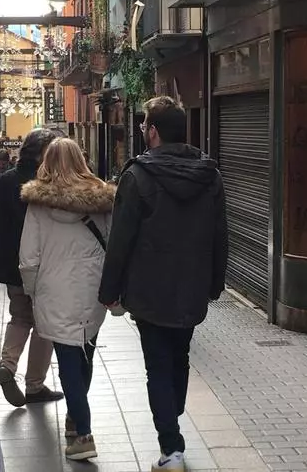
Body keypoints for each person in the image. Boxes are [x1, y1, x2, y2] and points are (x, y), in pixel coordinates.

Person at [99, 96, 228, 472]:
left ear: (153, 132)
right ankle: (172, 416)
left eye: (142, 127)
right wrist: (215, 283)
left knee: (157, 367)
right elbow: (221, 234)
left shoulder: (137, 176)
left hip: (149, 290)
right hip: (191, 286)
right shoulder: (210, 175)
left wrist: (109, 291)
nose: (141, 132)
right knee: (179, 356)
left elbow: (120, 240)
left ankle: (171, 449)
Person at [20, 138, 115, 461]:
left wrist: (33, 290)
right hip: (93, 288)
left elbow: (28, 257)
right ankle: (76, 419)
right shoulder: (102, 198)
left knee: (68, 361)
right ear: (81, 160)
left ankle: (83, 432)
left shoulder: (38, 204)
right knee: (85, 352)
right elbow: (113, 244)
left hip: (54, 290)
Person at [0, 129, 63, 407]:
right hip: (43, 264)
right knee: (43, 324)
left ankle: (8, 364)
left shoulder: (6, 180)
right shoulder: (47, 182)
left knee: (19, 317)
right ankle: (35, 385)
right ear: (42, 154)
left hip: (12, 265)